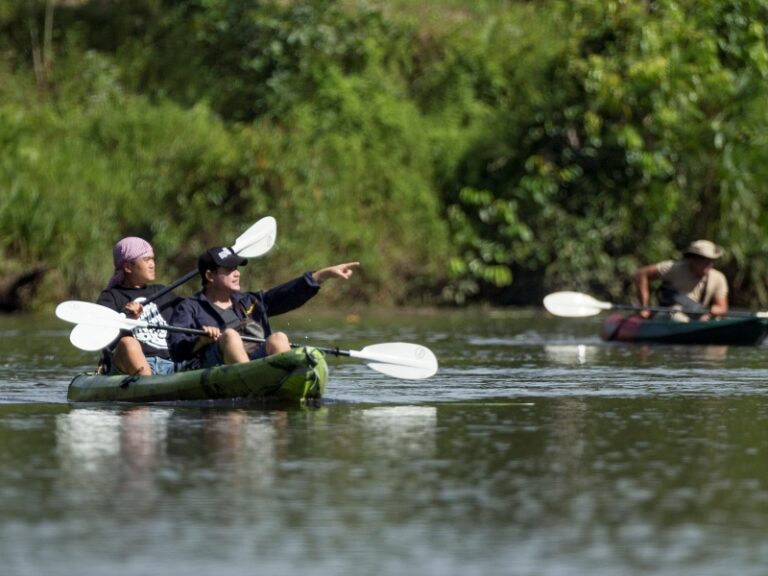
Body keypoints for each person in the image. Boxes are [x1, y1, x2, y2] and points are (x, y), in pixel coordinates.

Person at [168, 246, 359, 369]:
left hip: (254, 361)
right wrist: (200, 340)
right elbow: (177, 351)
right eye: (229, 270)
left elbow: (286, 296)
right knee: (231, 336)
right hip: (211, 367)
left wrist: (321, 276)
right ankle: (251, 378)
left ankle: (287, 379)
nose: (236, 274)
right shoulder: (189, 308)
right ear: (210, 276)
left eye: (237, 269)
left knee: (278, 338)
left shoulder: (250, 302)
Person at [96, 237, 181, 375]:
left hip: (171, 364)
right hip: (132, 365)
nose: (152, 264)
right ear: (128, 267)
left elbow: (192, 312)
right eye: (146, 260)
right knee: (128, 343)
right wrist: (129, 319)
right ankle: (149, 384)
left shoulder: (163, 292)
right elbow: (105, 338)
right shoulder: (110, 297)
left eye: (153, 259)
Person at [634, 239, 728, 321]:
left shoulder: (718, 278)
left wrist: (715, 310)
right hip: (670, 314)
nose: (706, 265)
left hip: (698, 315)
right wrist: (644, 307)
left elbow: (722, 307)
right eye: (701, 260)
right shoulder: (673, 268)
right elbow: (641, 274)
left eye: (709, 261)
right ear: (691, 259)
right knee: (677, 317)